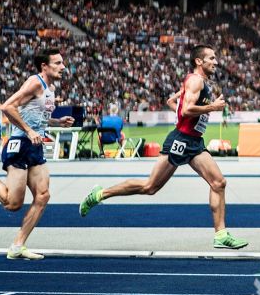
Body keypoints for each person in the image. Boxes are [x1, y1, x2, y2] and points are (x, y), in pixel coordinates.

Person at [78, 45, 247, 250]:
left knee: (218, 183)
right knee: (150, 187)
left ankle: (220, 234)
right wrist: (212, 107)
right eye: (211, 58)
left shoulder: (195, 82)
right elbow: (185, 110)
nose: (216, 62)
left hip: (194, 142)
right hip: (181, 140)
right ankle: (100, 194)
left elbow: (172, 101)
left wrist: (189, 105)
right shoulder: (196, 80)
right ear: (198, 61)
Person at [0, 50, 76, 259]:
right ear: (44, 67)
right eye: (58, 63)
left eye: (63, 62)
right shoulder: (35, 82)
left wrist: (57, 122)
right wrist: (29, 131)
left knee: (43, 195)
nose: (63, 67)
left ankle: (17, 245)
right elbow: (7, 107)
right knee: (13, 204)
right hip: (20, 144)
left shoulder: (51, 88)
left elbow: (37, 116)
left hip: (35, 146)